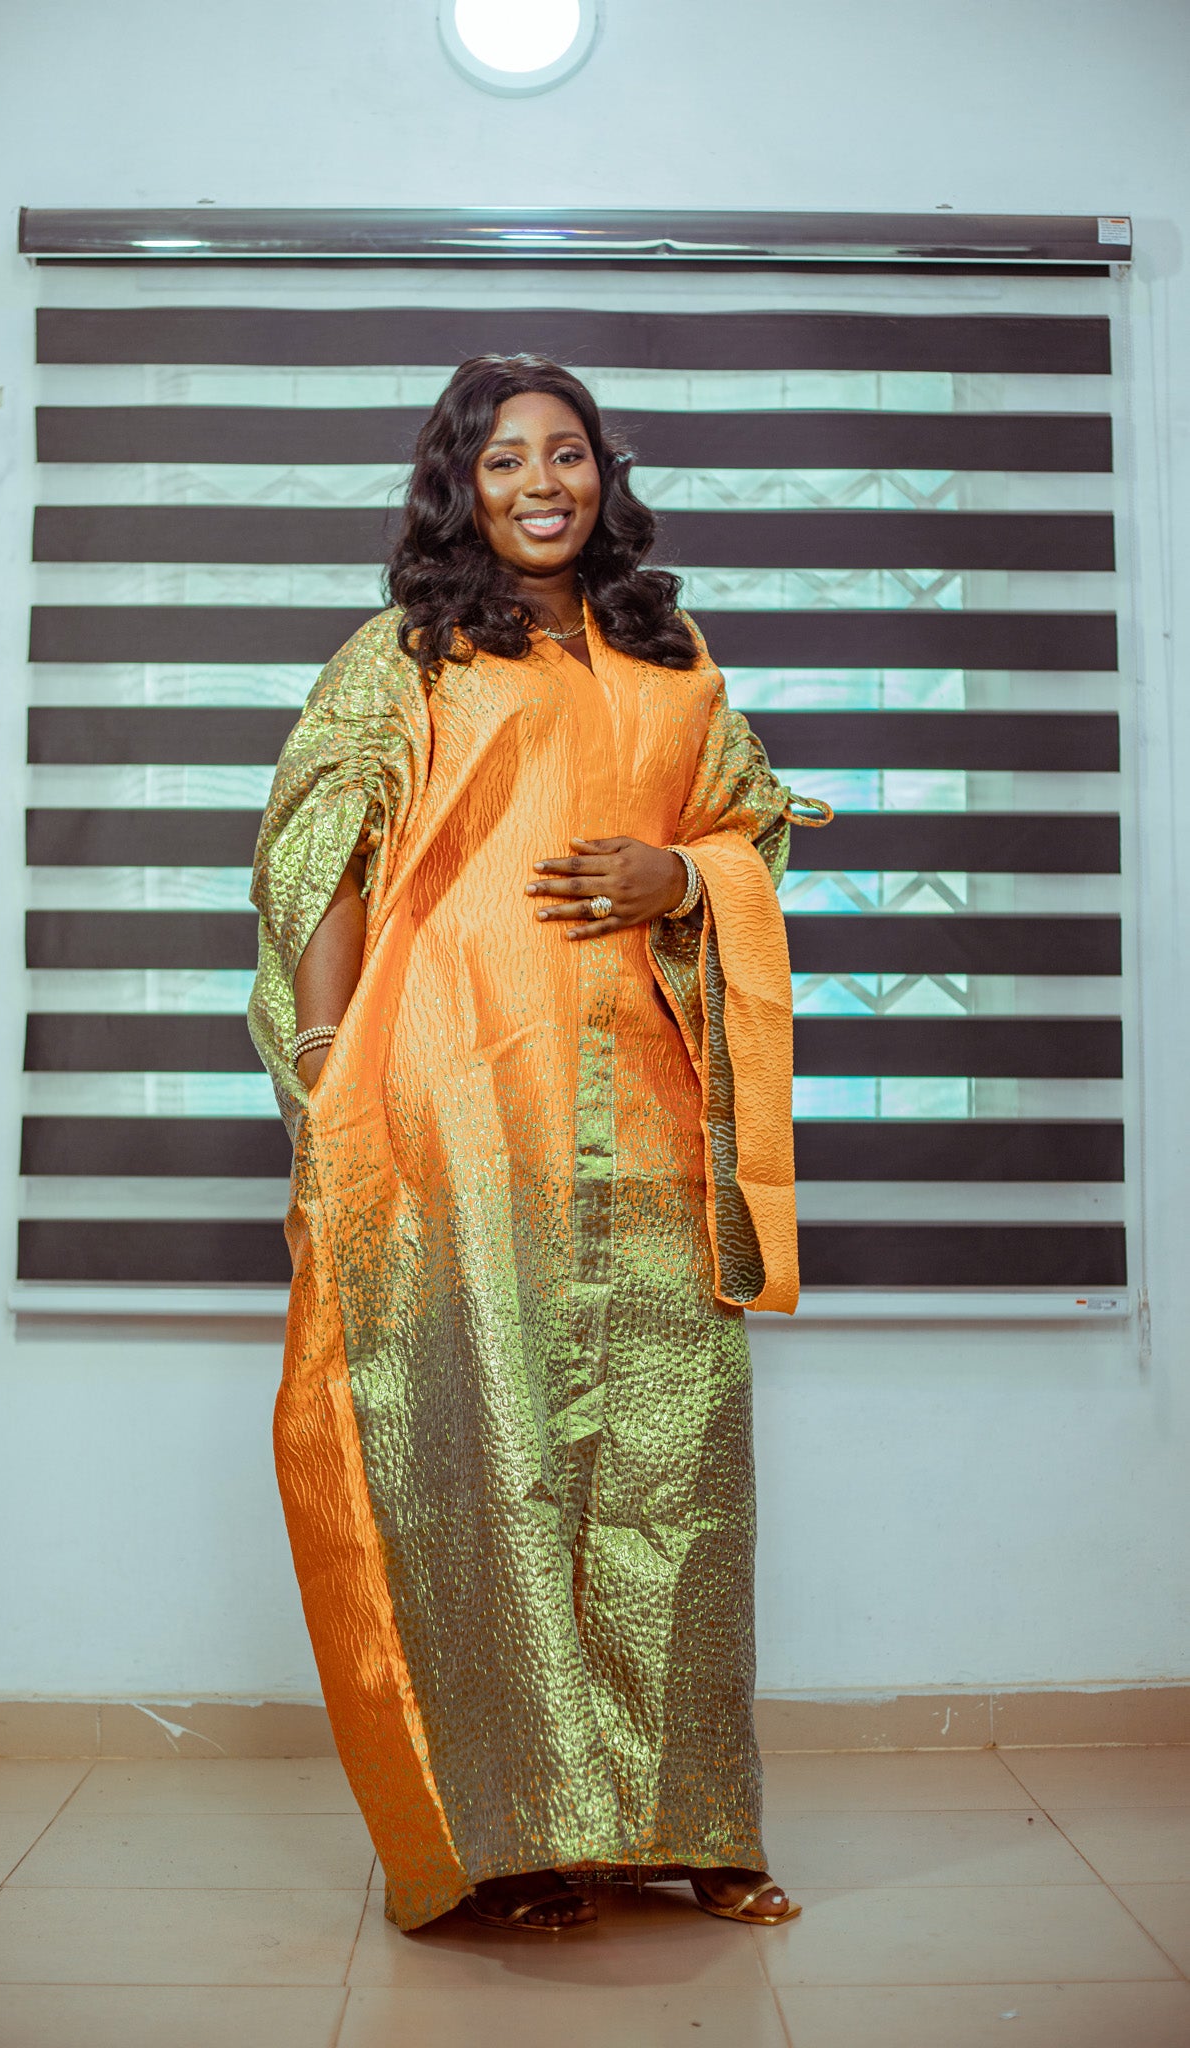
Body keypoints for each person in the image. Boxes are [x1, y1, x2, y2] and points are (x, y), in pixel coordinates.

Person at [248, 353, 830, 1935]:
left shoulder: (671, 647)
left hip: (640, 1105)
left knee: (671, 1465)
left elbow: (747, 822)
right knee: (485, 1464)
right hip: (453, 1106)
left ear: (602, 473)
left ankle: (692, 1821)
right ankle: (516, 1840)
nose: (539, 486)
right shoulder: (409, 652)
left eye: (563, 455)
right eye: (501, 462)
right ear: (459, 484)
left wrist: (682, 878)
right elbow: (325, 845)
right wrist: (323, 1064)